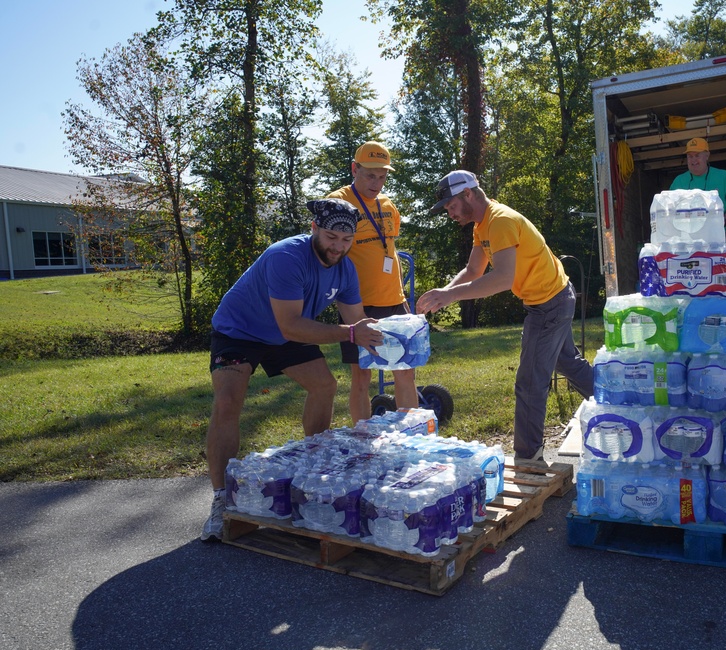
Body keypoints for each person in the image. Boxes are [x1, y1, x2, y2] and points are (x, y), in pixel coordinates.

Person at [200, 199, 382, 541]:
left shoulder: (345, 268)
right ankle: (221, 498)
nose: (338, 247)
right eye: (331, 237)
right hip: (240, 331)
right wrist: (353, 333)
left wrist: (390, 338)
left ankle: (311, 469)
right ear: (313, 228)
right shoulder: (287, 256)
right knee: (227, 403)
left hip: (286, 333)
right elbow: (292, 327)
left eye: (346, 240)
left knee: (325, 386)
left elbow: (355, 321)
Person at [416, 170, 593, 461]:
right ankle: (614, 406)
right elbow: (474, 271)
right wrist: (444, 291)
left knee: (529, 381)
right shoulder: (482, 224)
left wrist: (449, 296)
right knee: (567, 362)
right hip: (555, 296)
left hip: (549, 303)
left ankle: (528, 456)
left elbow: (501, 279)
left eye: (451, 206)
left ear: (468, 194)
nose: (450, 213)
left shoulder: (500, 222)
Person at [326, 141, 418, 424]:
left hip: (394, 301)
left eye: (382, 177)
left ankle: (411, 436)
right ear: (355, 169)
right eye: (370, 175)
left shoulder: (388, 206)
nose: (376, 183)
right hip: (357, 306)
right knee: (361, 375)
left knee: (405, 370)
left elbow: (387, 249)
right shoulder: (337, 202)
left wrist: (402, 297)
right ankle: (363, 439)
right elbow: (328, 251)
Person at [669, 137, 726, 223]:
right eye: (690, 156)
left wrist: (722, 222)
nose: (693, 160)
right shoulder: (679, 181)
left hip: (714, 234)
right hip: (686, 235)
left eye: (697, 155)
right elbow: (669, 210)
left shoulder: (723, 176)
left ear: (707, 156)